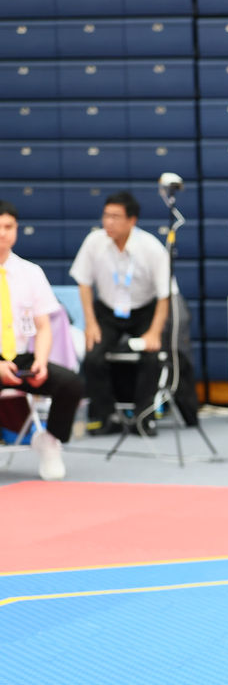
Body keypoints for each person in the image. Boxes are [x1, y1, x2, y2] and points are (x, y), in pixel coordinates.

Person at [69, 191, 170, 436]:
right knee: (93, 357)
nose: (108, 222)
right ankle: (105, 416)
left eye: (115, 217)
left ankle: (143, 417)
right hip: (107, 311)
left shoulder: (151, 248)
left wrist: (154, 333)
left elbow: (164, 295)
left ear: (132, 220)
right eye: (106, 216)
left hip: (144, 310)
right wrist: (90, 323)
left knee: (151, 358)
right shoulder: (94, 242)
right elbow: (83, 283)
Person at [0, 200, 86, 480]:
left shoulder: (30, 272)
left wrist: (40, 360)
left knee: (70, 383)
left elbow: (43, 326)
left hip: (20, 356)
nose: (2, 233)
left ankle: (49, 440)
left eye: (8, 226)